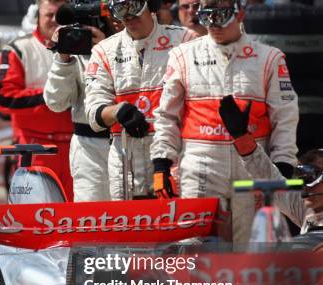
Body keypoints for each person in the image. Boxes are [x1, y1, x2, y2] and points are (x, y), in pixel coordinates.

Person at [150, 0, 299, 244]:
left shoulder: (270, 58)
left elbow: (285, 118)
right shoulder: (182, 55)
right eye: (207, 17)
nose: (213, 25)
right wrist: (161, 163)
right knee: (195, 248)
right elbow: (166, 115)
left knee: (253, 251)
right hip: (200, 164)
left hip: (253, 165)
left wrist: (282, 164)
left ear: (239, 14)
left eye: (221, 17)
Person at [84, 0, 198, 200]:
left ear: (151, 5)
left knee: (179, 227)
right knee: (129, 229)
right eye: (120, 9)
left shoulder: (186, 40)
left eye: (134, 6)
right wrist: (118, 111)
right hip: (126, 158)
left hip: (174, 154)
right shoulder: (104, 51)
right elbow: (93, 113)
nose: (128, 16)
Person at [0, 0, 76, 201]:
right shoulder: (18, 49)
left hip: (80, 147)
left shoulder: (86, 45)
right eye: (50, 15)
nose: (56, 21)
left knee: (80, 223)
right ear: (37, 16)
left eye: (62, 16)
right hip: (36, 149)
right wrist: (52, 97)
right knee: (40, 222)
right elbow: (4, 98)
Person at [43, 15, 123, 202]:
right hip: (87, 147)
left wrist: (104, 51)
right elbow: (56, 102)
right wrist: (62, 58)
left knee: (127, 215)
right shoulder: (77, 45)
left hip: (127, 141)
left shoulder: (132, 39)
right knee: (91, 218)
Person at [227, 105, 322, 233]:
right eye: (300, 175)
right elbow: (268, 175)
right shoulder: (303, 208)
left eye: (310, 176)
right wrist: (242, 138)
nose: (304, 185)